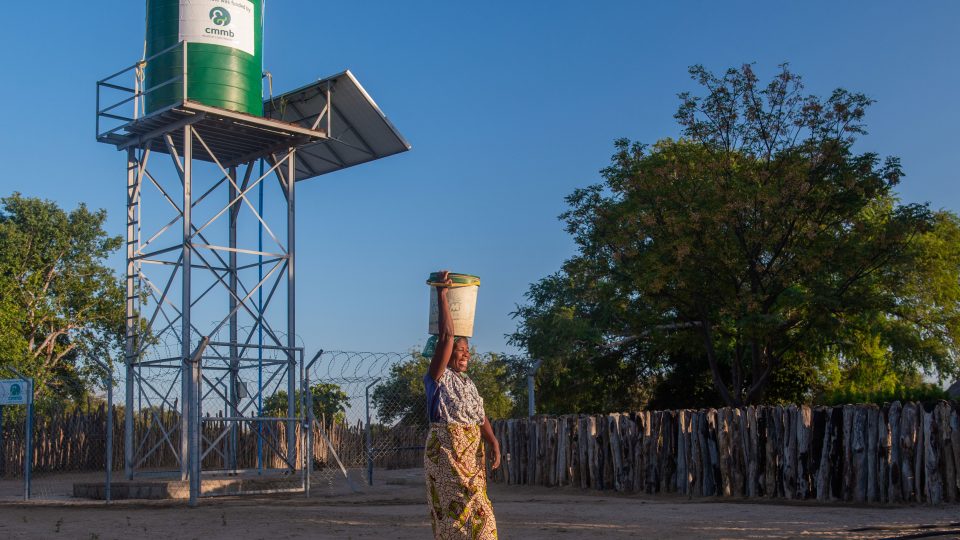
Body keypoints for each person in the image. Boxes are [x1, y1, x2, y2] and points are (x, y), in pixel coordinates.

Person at [423, 270, 500, 539]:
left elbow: (479, 416)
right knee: (453, 520)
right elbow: (445, 337)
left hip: (471, 455)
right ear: (444, 354)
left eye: (467, 349)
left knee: (483, 517)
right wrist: (443, 294)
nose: (466, 352)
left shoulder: (468, 384)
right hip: (446, 455)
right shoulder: (437, 377)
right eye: (460, 348)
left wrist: (493, 442)